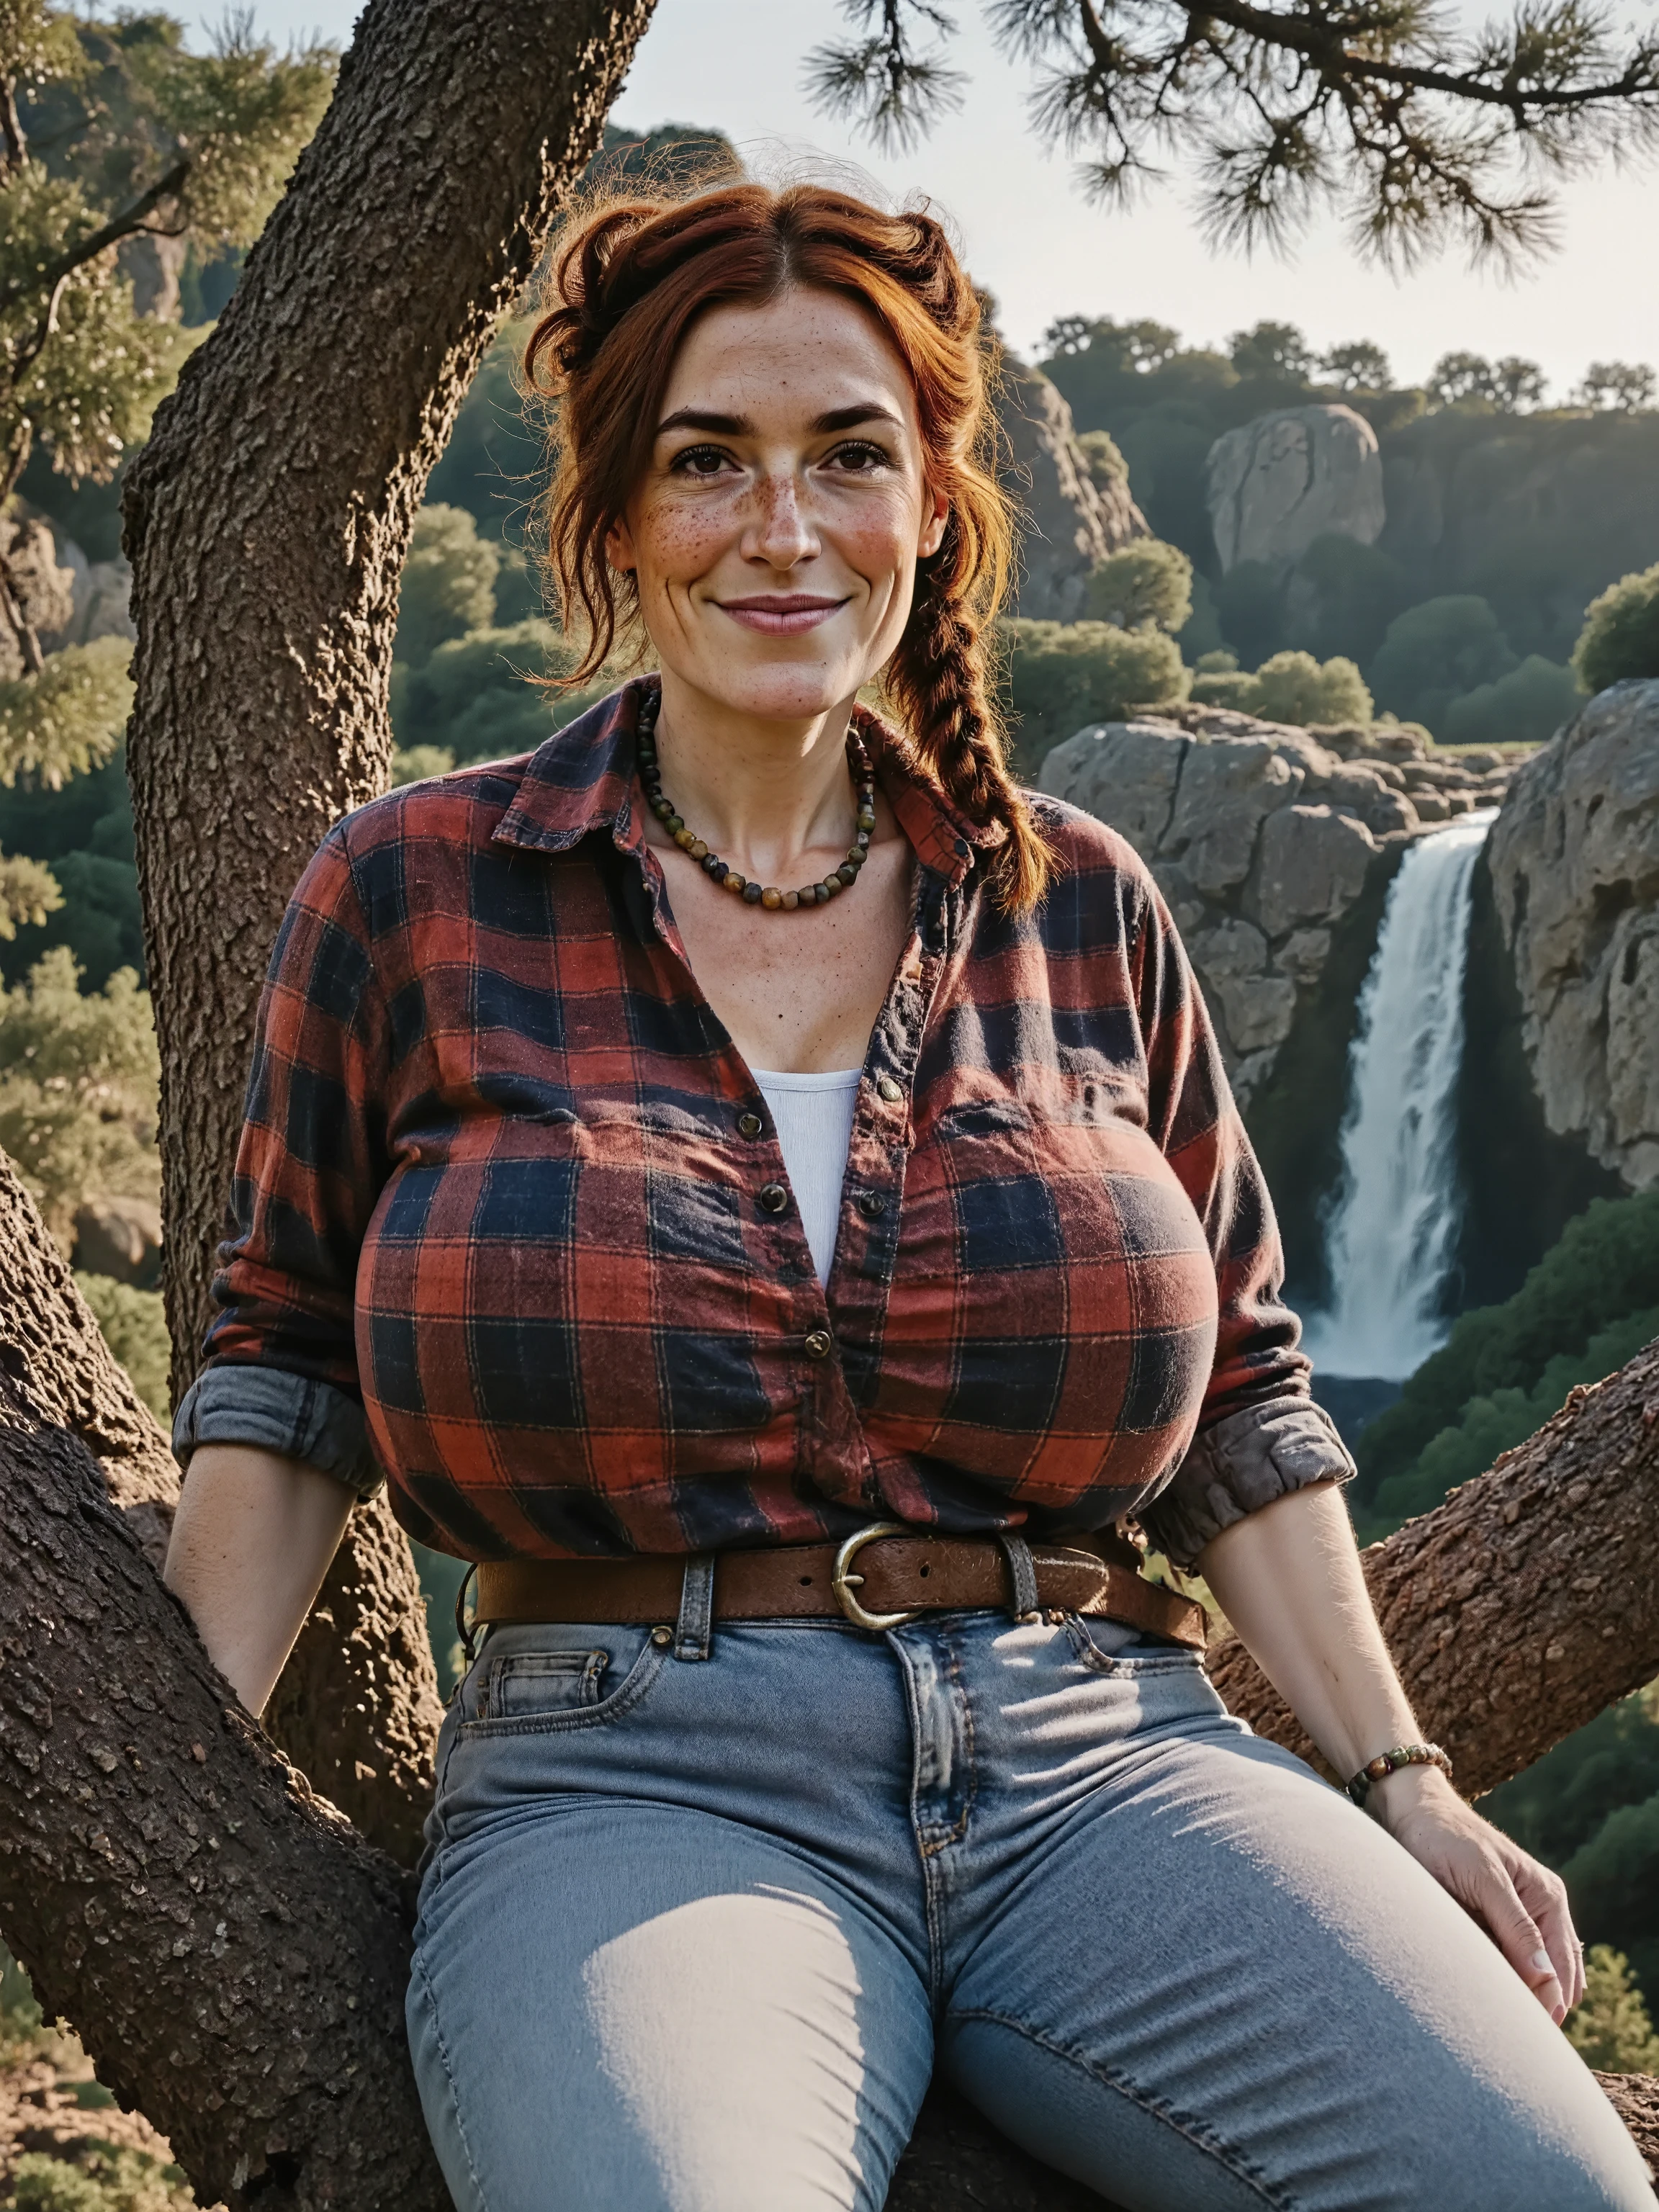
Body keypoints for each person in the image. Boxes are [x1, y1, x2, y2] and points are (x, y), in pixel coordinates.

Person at [161, 180, 1652, 2212]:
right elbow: (286, 1380)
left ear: (936, 500)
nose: (785, 530)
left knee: (1544, 2195)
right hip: (635, 1785)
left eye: (849, 456)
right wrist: (156, 1806)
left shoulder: (1085, 904)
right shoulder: (415, 890)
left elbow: (1248, 1408)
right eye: (710, 464)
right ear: (614, 518)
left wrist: (1405, 1783)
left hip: (1110, 1762)